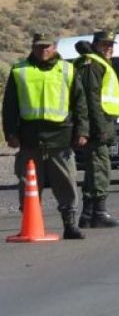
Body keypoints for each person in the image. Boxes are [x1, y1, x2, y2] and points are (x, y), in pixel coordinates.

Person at [2, 33, 89, 239]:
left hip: (60, 136)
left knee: (65, 181)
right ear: (32, 47)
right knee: (28, 183)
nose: (43, 51)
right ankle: (30, 223)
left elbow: (80, 104)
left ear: (55, 47)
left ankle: (70, 224)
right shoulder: (19, 71)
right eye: (39, 47)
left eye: (47, 46)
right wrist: (10, 133)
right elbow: (9, 107)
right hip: (29, 137)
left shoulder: (67, 70)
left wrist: (82, 131)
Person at [75, 31, 119, 228]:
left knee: (95, 169)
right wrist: (97, 128)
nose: (109, 48)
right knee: (99, 168)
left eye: (111, 45)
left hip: (104, 122)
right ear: (95, 44)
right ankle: (98, 213)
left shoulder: (97, 63)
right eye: (105, 44)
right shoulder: (92, 65)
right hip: (98, 125)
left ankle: (89, 214)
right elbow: (91, 99)